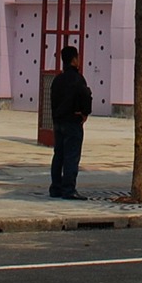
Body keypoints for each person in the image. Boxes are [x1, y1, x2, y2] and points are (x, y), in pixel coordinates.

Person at [49, 45, 93, 199]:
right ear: (74, 59)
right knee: (71, 156)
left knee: (58, 155)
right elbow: (85, 96)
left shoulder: (57, 80)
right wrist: (84, 113)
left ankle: (55, 188)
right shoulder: (78, 79)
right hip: (72, 122)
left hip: (58, 122)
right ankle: (69, 189)